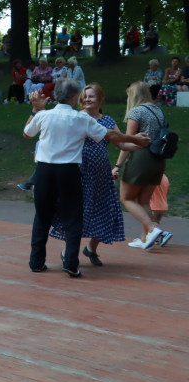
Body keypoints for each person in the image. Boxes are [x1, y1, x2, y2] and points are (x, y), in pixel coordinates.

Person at [23, 79, 149, 277]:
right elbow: (111, 136)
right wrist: (135, 138)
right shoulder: (80, 118)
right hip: (68, 171)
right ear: (74, 98)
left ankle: (36, 262)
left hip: (44, 171)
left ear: (56, 96)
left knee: (42, 216)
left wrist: (35, 109)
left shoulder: (44, 115)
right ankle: (71, 264)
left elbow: (27, 134)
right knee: (73, 218)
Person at [46, 84, 129, 267]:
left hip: (101, 176)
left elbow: (122, 143)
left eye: (91, 96)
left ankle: (91, 248)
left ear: (101, 99)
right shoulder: (77, 117)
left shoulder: (107, 120)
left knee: (105, 211)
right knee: (77, 212)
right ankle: (68, 250)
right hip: (79, 173)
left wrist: (121, 162)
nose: (87, 99)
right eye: (85, 96)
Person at [114, 82, 174, 250]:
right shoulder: (158, 110)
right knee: (144, 200)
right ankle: (146, 238)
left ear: (133, 95)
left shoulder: (137, 111)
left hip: (141, 158)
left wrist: (117, 165)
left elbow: (128, 140)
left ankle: (154, 229)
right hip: (158, 160)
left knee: (126, 198)